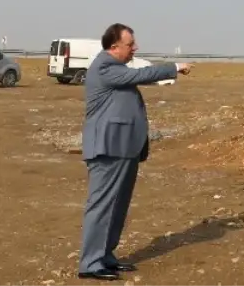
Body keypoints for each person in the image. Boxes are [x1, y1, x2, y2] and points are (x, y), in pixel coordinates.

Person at [78, 23, 191, 281]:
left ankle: (105, 255)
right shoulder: (105, 67)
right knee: (102, 205)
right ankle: (90, 263)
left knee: (118, 206)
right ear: (114, 46)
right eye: (130, 44)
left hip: (124, 148)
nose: (135, 48)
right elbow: (140, 75)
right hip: (108, 148)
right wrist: (174, 67)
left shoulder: (115, 68)